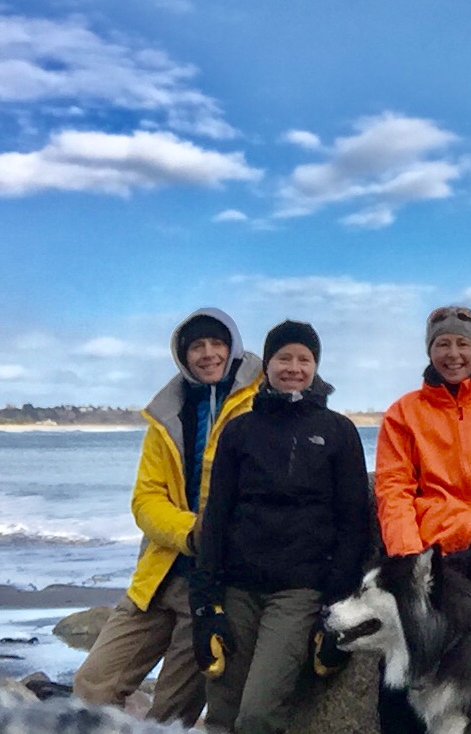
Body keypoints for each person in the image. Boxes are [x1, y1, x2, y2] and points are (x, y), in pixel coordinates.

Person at [73, 308, 263, 726]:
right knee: (93, 685)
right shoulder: (167, 412)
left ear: (233, 347)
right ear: (183, 355)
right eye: (197, 346)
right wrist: (192, 532)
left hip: (217, 584)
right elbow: (145, 499)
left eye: (217, 343)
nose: (208, 353)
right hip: (160, 573)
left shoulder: (261, 403)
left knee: (171, 713)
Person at [189, 320, 370, 734]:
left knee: (256, 716)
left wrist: (335, 610)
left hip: (298, 593)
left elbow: (354, 522)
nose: (293, 367)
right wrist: (205, 605)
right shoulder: (239, 431)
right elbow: (215, 516)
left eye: (304, 359)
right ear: (266, 365)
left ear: (316, 366)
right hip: (238, 589)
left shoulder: (338, 432)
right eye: (283, 357)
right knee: (221, 715)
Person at [373, 305, 471, 733]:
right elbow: (393, 490)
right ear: (429, 350)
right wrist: (416, 564)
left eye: (463, 343)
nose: (453, 353)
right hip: (428, 562)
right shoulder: (403, 413)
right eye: (442, 343)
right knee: (399, 681)